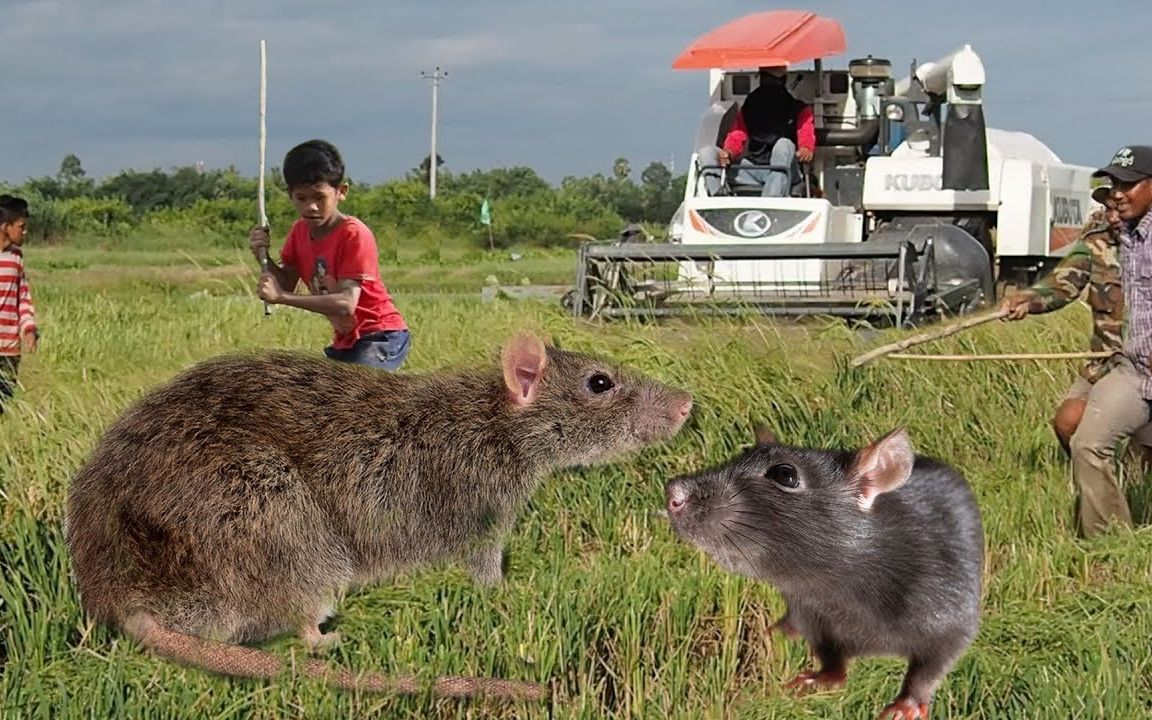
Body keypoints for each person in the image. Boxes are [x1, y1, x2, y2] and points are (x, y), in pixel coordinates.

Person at [1038, 144, 1152, 538]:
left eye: (1128, 185)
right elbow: (1061, 284)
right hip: (1116, 361)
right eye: (1112, 186)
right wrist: (1026, 300)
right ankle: (1111, 540)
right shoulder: (1102, 239)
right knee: (1077, 429)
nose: (1116, 196)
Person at [1000, 185, 1152, 465]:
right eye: (1109, 205)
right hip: (1106, 362)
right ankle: (1095, 480)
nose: (1114, 212)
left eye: (1119, 205)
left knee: (1143, 457)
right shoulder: (1097, 243)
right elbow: (1062, 283)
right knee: (1068, 422)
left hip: (1145, 366)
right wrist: (1027, 299)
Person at [249, 139, 410, 371]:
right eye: (301, 198)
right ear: (290, 195)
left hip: (380, 336)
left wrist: (281, 297)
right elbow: (286, 283)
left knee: (353, 399)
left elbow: (346, 304)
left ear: (341, 192)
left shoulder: (353, 234)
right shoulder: (299, 232)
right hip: (346, 341)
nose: (311, 207)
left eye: (319, 197)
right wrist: (261, 255)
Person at [696, 65, 816, 198]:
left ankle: (771, 200)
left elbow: (806, 133)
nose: (768, 85)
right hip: (753, 168)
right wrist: (728, 152)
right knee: (706, 152)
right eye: (765, 79)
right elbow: (738, 135)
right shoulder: (750, 107)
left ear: (783, 80)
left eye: (772, 80)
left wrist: (806, 148)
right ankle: (718, 198)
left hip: (788, 172)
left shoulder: (799, 109)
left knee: (783, 145)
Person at [0, 194, 38, 414]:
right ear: (6, 227)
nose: (24, 232)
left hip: (9, 347)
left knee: (4, 404)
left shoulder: (16, 257)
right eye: (21, 226)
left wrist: (29, 327)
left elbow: (23, 297)